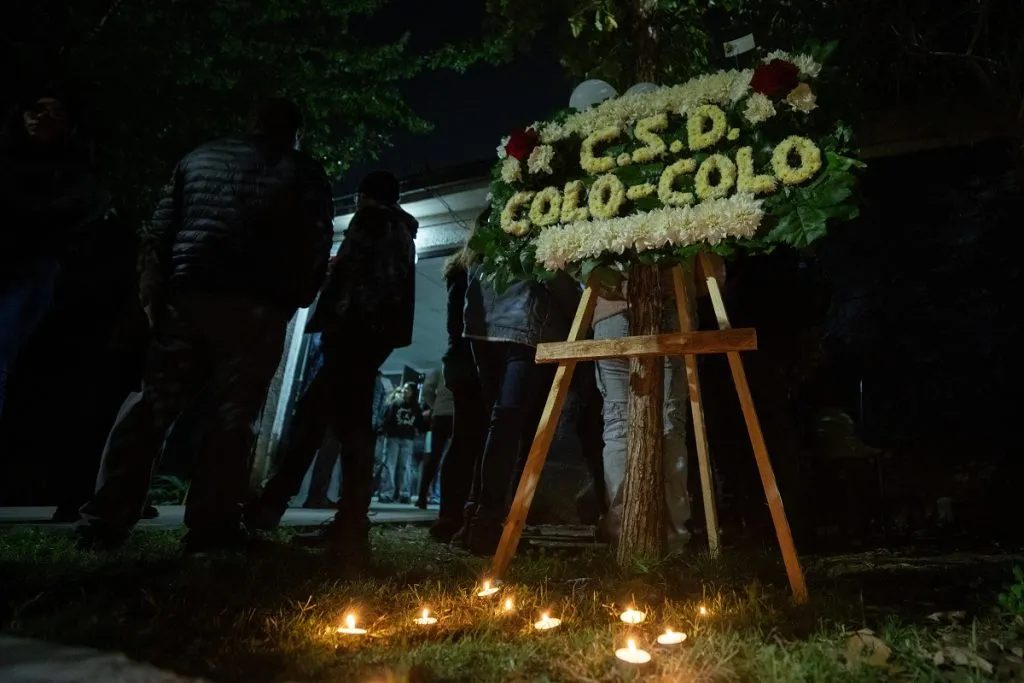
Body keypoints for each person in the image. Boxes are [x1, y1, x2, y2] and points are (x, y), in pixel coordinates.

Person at [76, 98, 334, 553]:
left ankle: (106, 518)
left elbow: (160, 228)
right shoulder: (305, 170)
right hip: (256, 304)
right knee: (233, 415)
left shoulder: (198, 157)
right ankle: (211, 525)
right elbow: (316, 241)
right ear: (296, 133)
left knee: (152, 404)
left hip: (187, 294)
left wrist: (154, 293)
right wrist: (296, 297)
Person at [245, 170, 417, 563]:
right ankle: (332, 518)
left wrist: (330, 298)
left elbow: (353, 276)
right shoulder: (404, 234)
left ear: (363, 196)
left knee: (326, 422)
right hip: (373, 337)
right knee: (331, 419)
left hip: (351, 332)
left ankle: (292, 510)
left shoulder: (370, 219)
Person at [460, 211, 582, 555]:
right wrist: (582, 310)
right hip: (526, 330)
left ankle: (477, 519)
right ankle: (495, 524)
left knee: (497, 424)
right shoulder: (538, 218)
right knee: (511, 427)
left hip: (483, 329)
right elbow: (555, 278)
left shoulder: (486, 232)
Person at [0, 89, 109, 418]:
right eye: (37, 110)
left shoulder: (75, 168)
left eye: (57, 114)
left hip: (36, 269)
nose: (44, 118)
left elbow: (82, 208)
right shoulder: (10, 156)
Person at [433, 238, 488, 543]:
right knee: (473, 441)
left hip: (458, 361)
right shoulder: (475, 272)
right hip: (471, 361)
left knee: (463, 440)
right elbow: (467, 323)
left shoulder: (459, 271)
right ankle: (458, 515)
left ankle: (450, 514)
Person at [377, 382, 423, 504]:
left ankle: (404, 493)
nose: (404, 390)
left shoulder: (416, 407)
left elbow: (419, 422)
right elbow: (387, 419)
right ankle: (387, 493)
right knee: (390, 465)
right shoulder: (395, 404)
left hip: (407, 438)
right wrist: (383, 431)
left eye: (408, 389)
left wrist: (417, 430)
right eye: (404, 388)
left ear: (413, 392)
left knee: (405, 466)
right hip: (393, 437)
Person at [417, 366, 453, 509]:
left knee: (434, 457)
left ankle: (422, 497)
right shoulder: (471, 367)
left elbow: (427, 389)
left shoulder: (440, 368)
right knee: (456, 457)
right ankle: (449, 499)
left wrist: (435, 405)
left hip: (440, 415)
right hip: (459, 415)